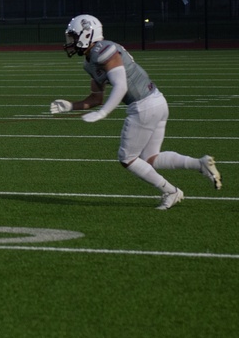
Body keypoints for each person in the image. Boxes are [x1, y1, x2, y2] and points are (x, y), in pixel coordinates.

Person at [50, 14, 222, 209]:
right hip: (157, 101)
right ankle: (200, 164)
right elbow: (96, 98)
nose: (70, 42)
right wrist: (71, 105)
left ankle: (171, 191)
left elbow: (121, 86)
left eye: (73, 36)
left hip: (143, 106)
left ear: (87, 33)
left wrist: (103, 113)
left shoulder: (102, 50)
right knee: (151, 159)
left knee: (127, 159)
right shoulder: (91, 61)